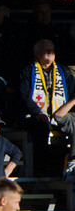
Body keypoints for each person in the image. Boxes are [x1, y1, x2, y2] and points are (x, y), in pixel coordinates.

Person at [20, 39, 75, 174]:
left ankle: (72, 162)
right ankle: (41, 171)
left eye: (52, 50)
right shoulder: (28, 71)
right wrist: (37, 112)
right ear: (37, 54)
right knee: (41, 127)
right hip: (36, 117)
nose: (50, 53)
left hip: (60, 116)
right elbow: (25, 96)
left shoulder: (64, 72)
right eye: (46, 50)